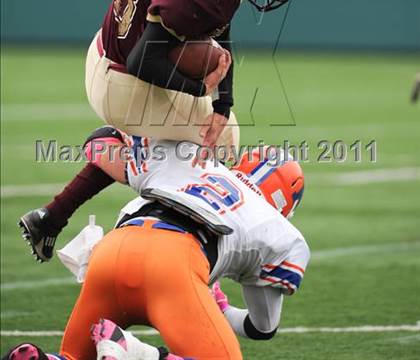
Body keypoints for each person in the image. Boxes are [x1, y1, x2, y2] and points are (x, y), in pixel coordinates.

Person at [19, 0, 305, 263]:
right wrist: (202, 89)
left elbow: (218, 22)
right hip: (122, 79)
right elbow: (144, 60)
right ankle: (123, 161)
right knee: (219, 144)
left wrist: (223, 102)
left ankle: (52, 216)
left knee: (211, 130)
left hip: (109, 51)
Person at [8, 133, 309, 360]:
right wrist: (224, 308)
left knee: (73, 357)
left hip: (111, 252)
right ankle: (139, 354)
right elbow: (262, 328)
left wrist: (56, 212)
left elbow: (100, 141)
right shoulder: (278, 229)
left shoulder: (191, 162)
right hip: (173, 264)